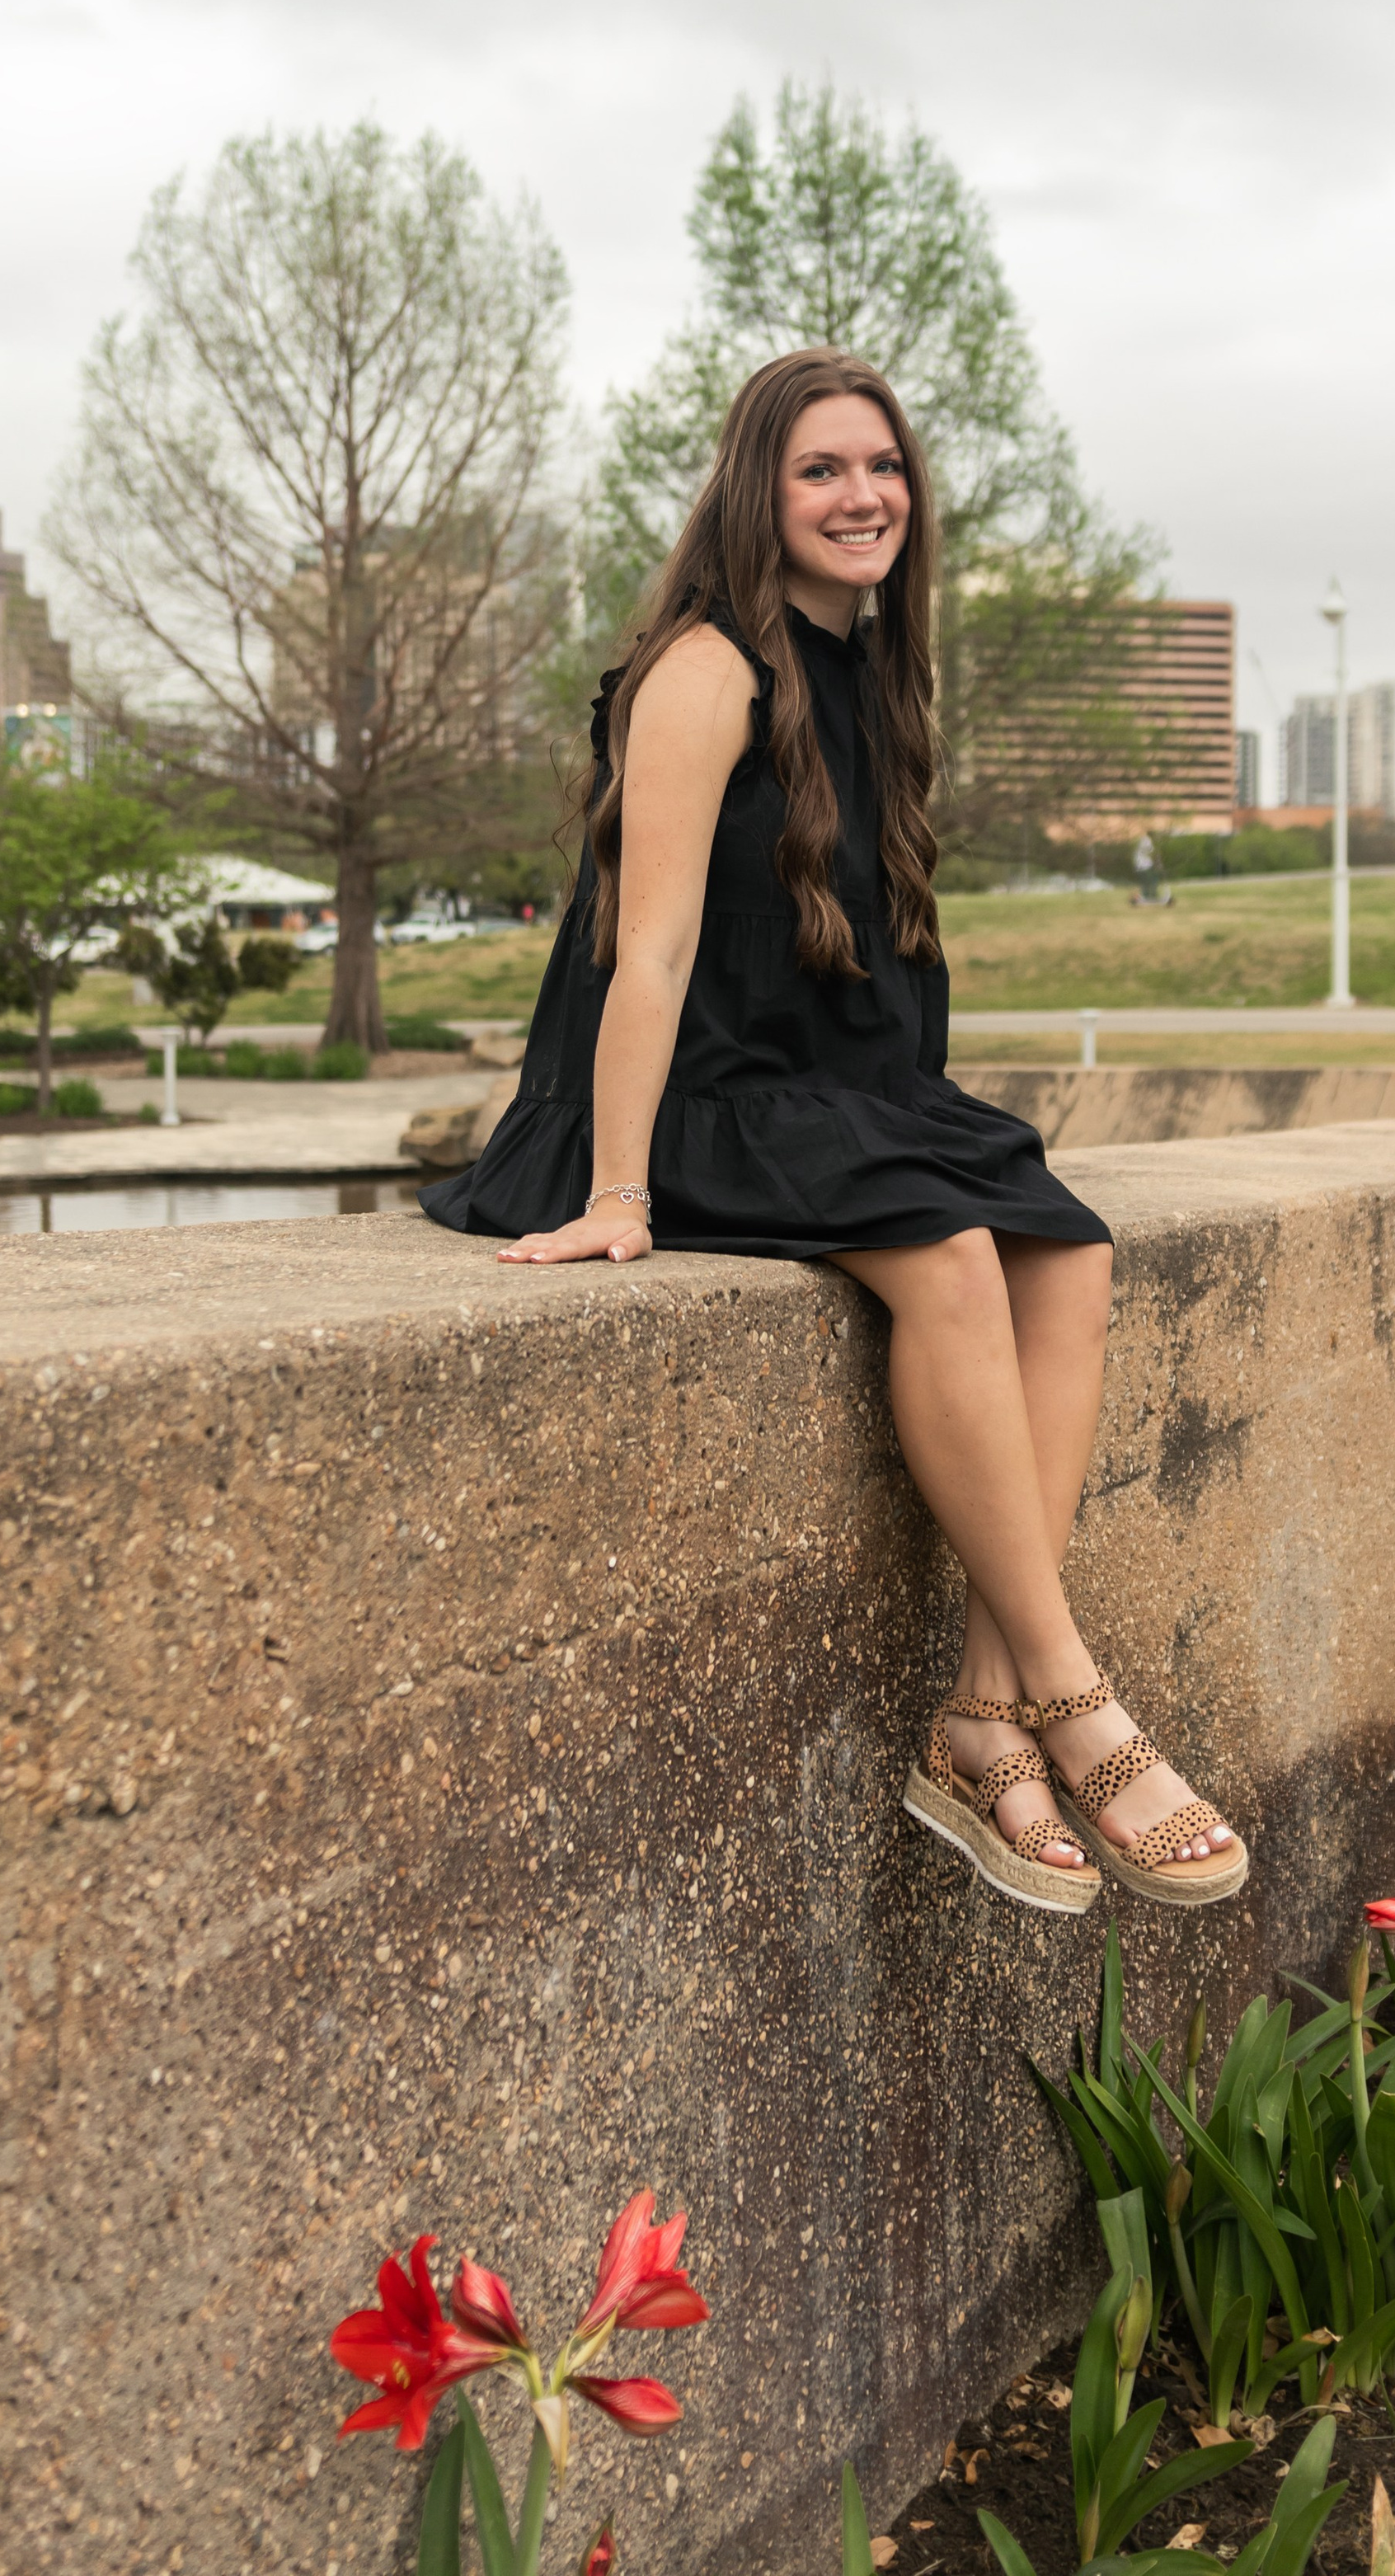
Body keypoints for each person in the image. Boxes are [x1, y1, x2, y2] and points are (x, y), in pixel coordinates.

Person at [420, 349, 1245, 1916]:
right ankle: (1074, 1704)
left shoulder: (870, 667)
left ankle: (979, 1719)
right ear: (759, 491)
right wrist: (615, 1189)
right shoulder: (705, 668)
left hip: (845, 1091)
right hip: (697, 1101)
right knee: (942, 1262)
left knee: (1067, 1257)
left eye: (884, 466)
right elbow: (647, 952)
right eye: (821, 470)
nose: (863, 495)